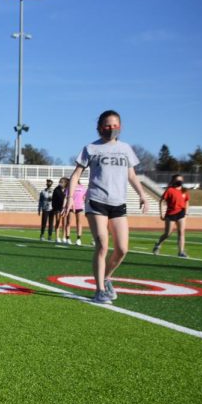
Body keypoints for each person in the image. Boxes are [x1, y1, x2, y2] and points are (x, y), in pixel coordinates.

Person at [63, 110, 148, 304]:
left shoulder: (126, 149)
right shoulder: (91, 148)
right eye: (108, 125)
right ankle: (100, 290)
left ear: (121, 127)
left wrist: (142, 195)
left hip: (118, 203)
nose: (111, 129)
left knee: (122, 249)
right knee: (102, 244)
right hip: (96, 201)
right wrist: (69, 197)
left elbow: (132, 175)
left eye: (115, 125)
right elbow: (76, 174)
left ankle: (106, 277)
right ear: (100, 127)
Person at [153, 174, 189, 258]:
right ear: (173, 181)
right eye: (177, 180)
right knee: (168, 233)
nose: (179, 181)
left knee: (181, 232)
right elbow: (161, 201)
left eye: (181, 180)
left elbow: (187, 201)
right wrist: (161, 214)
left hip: (181, 213)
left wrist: (186, 213)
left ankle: (181, 252)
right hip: (171, 214)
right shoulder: (169, 190)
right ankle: (158, 244)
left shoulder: (184, 191)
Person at [70, 177, 87, 245]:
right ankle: (67, 238)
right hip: (71, 206)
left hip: (79, 207)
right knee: (69, 222)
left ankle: (78, 239)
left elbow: (85, 196)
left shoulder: (82, 187)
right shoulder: (71, 187)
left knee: (79, 222)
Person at [53, 177, 69, 243]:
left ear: (65, 183)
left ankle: (64, 237)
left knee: (64, 223)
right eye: (60, 182)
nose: (60, 183)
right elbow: (53, 200)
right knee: (58, 222)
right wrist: (55, 208)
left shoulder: (67, 190)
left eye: (62, 182)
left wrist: (66, 207)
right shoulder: (56, 189)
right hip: (57, 208)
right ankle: (57, 237)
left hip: (65, 208)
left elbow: (68, 198)